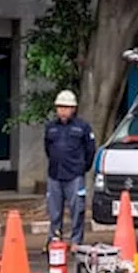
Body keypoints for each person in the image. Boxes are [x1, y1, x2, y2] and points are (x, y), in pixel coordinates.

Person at [43, 89, 95, 246]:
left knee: (77, 210)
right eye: (60, 107)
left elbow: (90, 150)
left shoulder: (83, 127)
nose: (63, 111)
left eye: (66, 107)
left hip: (74, 176)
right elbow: (47, 148)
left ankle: (76, 241)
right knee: (54, 211)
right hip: (55, 175)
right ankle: (54, 239)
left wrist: (82, 168)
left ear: (73, 108)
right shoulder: (51, 127)